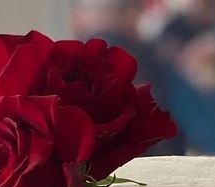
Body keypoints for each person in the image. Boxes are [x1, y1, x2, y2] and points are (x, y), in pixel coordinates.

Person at [71, 0, 184, 154]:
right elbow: (149, 107)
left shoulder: (87, 51)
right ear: (128, 13)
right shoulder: (122, 51)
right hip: (145, 156)